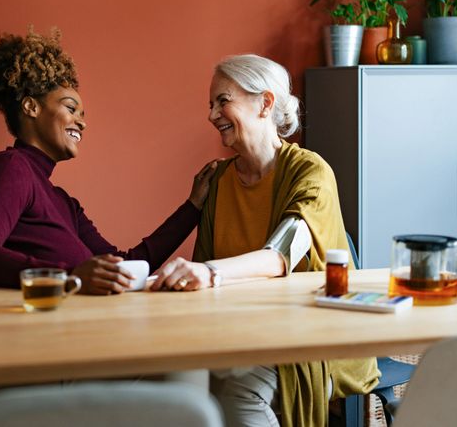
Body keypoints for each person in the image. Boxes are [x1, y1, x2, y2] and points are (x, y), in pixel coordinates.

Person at [150, 55, 380, 427]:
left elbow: (281, 254)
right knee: (162, 379)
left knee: (237, 393)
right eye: (210, 105)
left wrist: (207, 273)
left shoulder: (310, 171)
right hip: (239, 330)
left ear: (265, 103)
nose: (212, 115)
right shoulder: (218, 180)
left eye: (223, 100)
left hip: (309, 332)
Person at [0, 27, 217, 294]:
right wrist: (70, 278)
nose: (82, 122)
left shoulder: (65, 204)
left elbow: (125, 267)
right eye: (70, 108)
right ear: (31, 107)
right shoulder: (11, 168)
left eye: (82, 113)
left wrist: (193, 207)